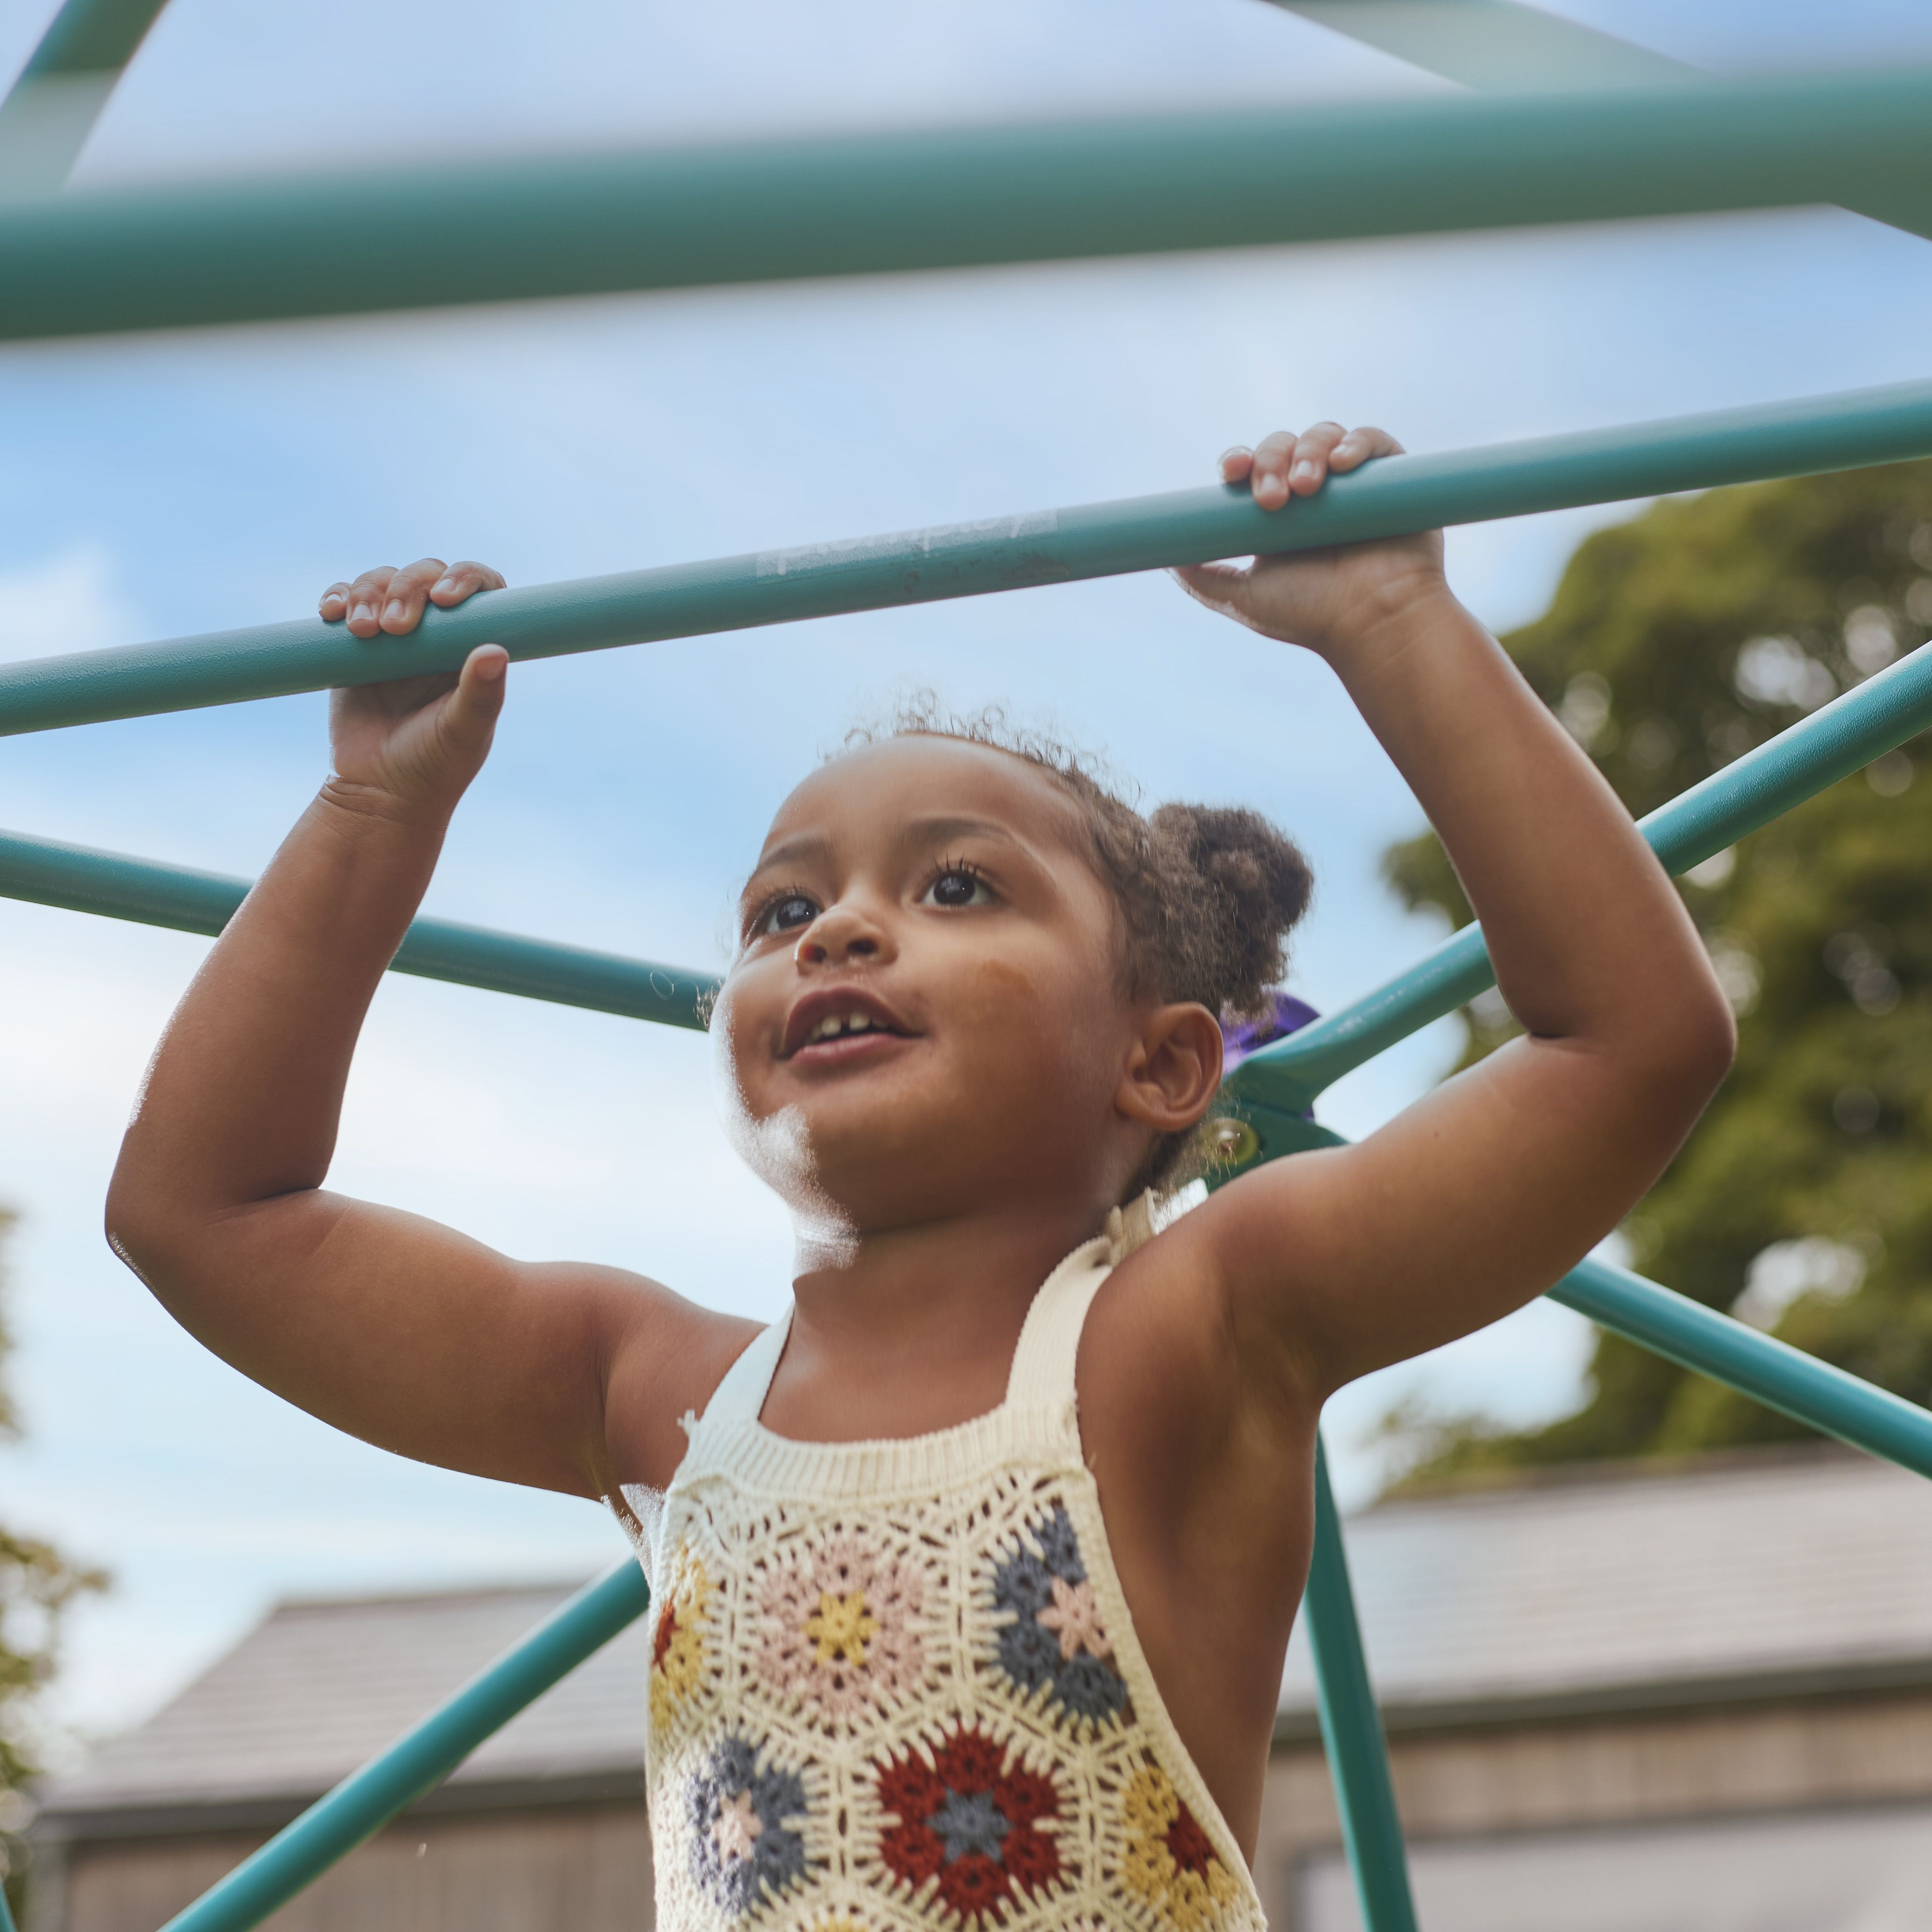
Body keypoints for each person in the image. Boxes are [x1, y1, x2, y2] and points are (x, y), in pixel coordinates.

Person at [106, 424, 1733, 1930]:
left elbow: (1626, 1045)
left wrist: (1392, 622)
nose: (837, 928)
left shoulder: (1195, 1329)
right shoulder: (653, 1395)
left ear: (1162, 1064)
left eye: (958, 885)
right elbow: (205, 1217)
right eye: (775, 911)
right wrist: (372, 810)